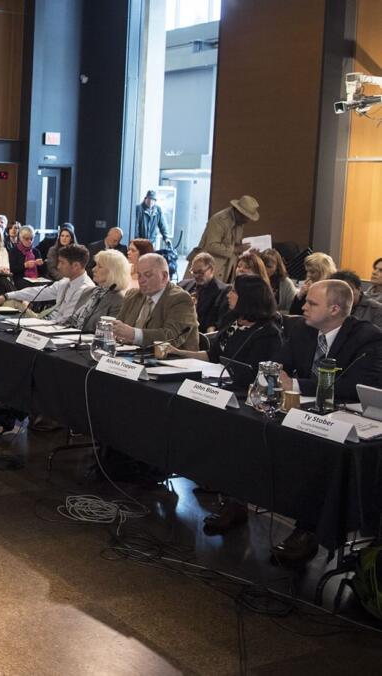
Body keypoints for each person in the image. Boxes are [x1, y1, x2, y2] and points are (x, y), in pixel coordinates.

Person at [157, 275, 283, 536]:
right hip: (217, 388)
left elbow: (256, 375)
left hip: (242, 399)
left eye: (235, 291)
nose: (229, 295)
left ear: (248, 297)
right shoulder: (234, 322)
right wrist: (177, 352)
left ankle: (234, 502)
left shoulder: (267, 334)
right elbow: (213, 356)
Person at [274, 279, 382, 564]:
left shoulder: (367, 337)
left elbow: (356, 386)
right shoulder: (302, 330)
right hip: (305, 412)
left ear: (335, 309)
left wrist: (297, 384)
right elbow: (279, 366)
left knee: (318, 457)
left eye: (311, 303)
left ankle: (308, 529)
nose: (303, 306)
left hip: (344, 421)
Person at [111, 253, 199, 350]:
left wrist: (133, 334)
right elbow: (118, 328)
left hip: (173, 360)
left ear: (164, 276)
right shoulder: (132, 295)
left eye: (148, 275)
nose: (141, 280)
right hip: (130, 358)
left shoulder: (180, 299)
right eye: (139, 275)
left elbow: (172, 338)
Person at [0, 245, 94, 324]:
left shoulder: (86, 289)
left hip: (54, 326)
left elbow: (66, 321)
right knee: (9, 302)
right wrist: (6, 295)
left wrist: (36, 325)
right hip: (44, 319)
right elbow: (38, 292)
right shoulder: (66, 281)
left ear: (76, 266)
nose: (58, 266)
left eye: (62, 263)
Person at [189, 195, 259, 282]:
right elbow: (211, 246)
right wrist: (235, 249)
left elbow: (234, 245)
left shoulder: (240, 222)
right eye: (246, 217)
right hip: (207, 271)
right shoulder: (219, 220)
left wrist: (245, 251)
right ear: (238, 211)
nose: (247, 221)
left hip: (227, 271)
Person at [66, 249, 130, 333]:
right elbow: (70, 321)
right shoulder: (88, 291)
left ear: (113, 271)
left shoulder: (118, 299)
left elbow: (110, 332)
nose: (93, 269)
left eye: (99, 266)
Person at [178, 252, 230, 333]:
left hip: (202, 334)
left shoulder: (222, 291)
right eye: (194, 272)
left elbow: (216, 322)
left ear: (212, 270)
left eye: (200, 272)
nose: (196, 276)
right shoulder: (183, 285)